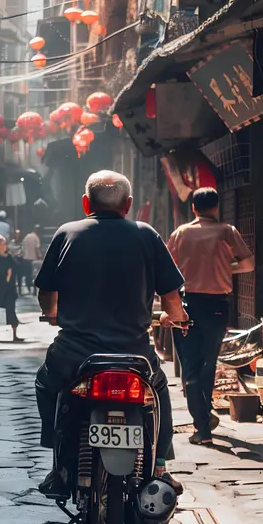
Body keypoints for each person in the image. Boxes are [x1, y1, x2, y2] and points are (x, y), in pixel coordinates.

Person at [35, 170, 187, 498]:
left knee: (47, 383)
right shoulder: (147, 235)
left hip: (75, 352)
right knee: (158, 394)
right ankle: (160, 466)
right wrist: (177, 317)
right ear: (128, 204)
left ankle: (60, 464)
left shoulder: (67, 233)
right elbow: (172, 298)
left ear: (85, 202)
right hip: (134, 353)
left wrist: (52, 313)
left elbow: (46, 291)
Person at [167, 186, 255, 446]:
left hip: (187, 306)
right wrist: (225, 267)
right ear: (216, 207)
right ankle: (205, 419)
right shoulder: (227, 231)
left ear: (193, 207)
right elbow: (249, 263)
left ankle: (202, 426)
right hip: (217, 307)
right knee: (208, 363)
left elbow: (167, 268)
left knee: (190, 366)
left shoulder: (181, 233)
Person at [21, 225, 42, 295]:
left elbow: (23, 246)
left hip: (26, 258)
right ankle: (33, 291)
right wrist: (40, 256)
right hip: (33, 259)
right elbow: (37, 248)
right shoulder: (36, 238)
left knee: (27, 274)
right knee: (34, 275)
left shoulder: (27, 236)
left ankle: (28, 287)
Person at [8, 229, 24, 294]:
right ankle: (13, 290)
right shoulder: (11, 242)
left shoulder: (22, 243)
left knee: (19, 276)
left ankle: (20, 290)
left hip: (19, 262)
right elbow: (9, 250)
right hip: (12, 262)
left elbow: (22, 251)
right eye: (16, 234)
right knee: (13, 276)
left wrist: (18, 253)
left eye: (18, 234)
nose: (17, 235)